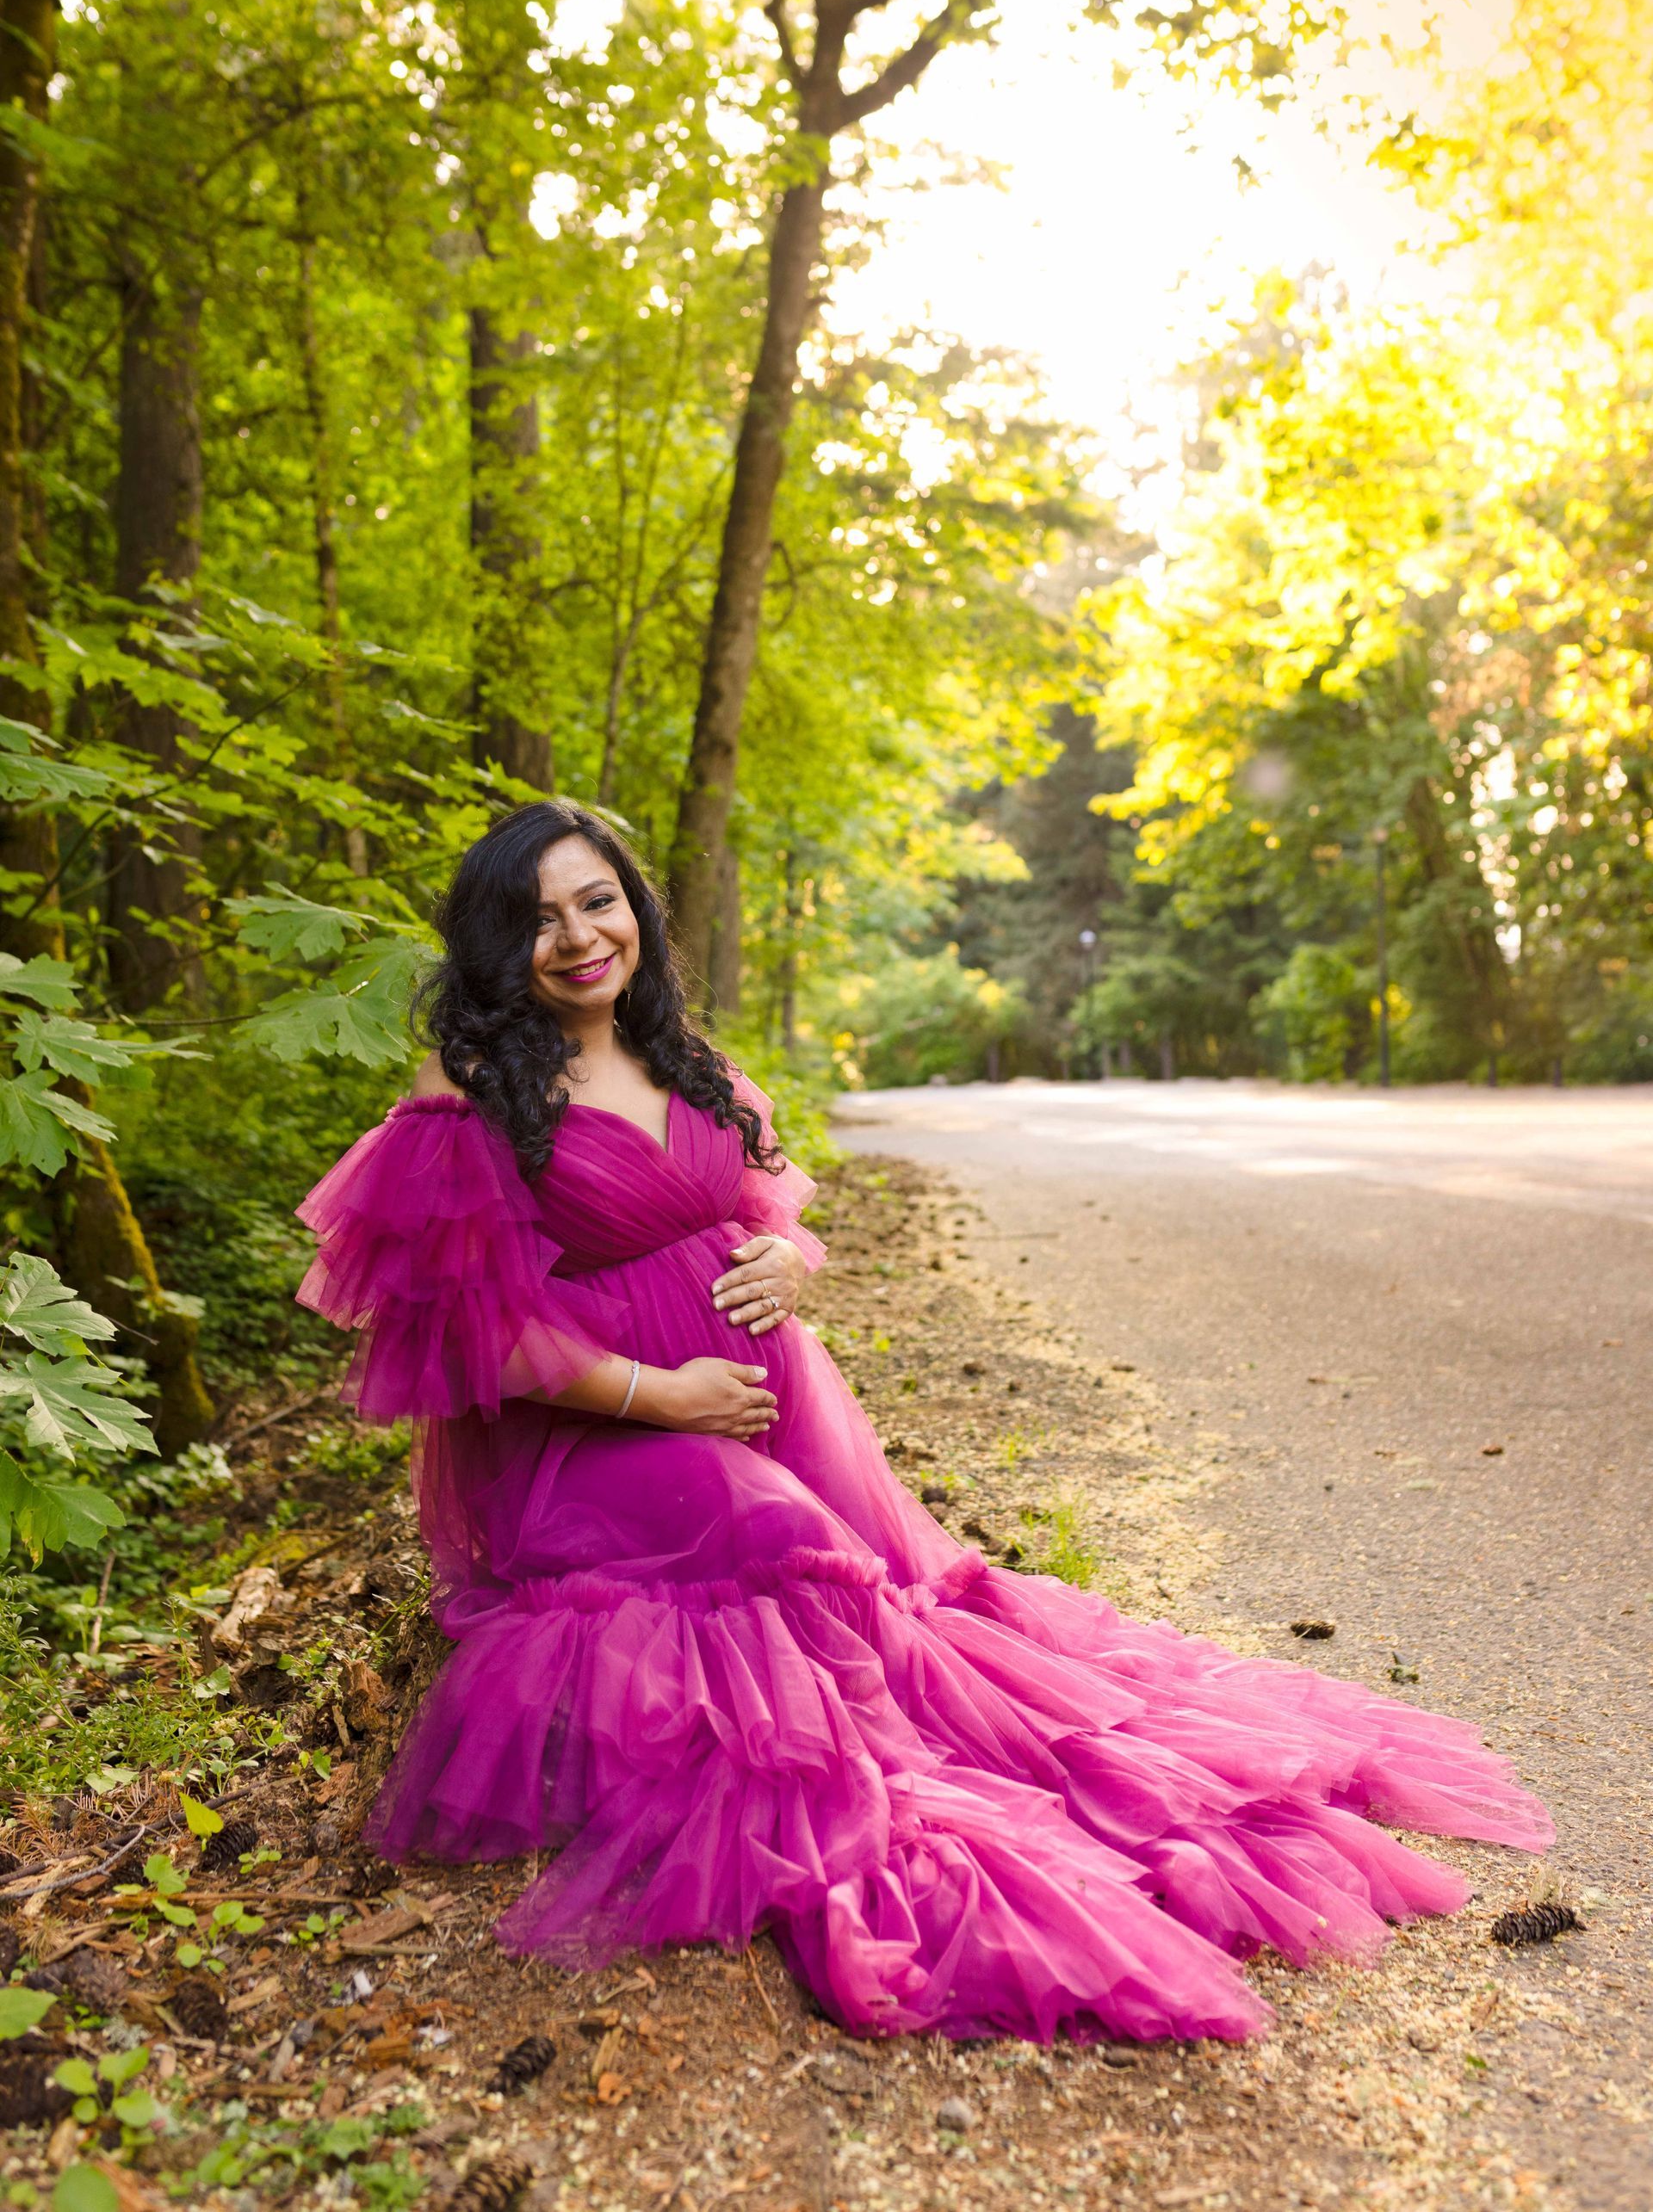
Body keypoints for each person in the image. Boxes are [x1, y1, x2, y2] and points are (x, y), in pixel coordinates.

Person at [295, 800, 1551, 2043]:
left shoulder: (680, 1054)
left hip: (777, 1402)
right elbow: (469, 1335)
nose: (575, 937)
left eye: (597, 900)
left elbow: (767, 1206)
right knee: (778, 1545)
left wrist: (788, 1263)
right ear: (490, 943)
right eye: (536, 918)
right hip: (588, 1443)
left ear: (636, 909)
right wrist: (660, 1394)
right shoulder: (465, 1093)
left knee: (897, 1610)